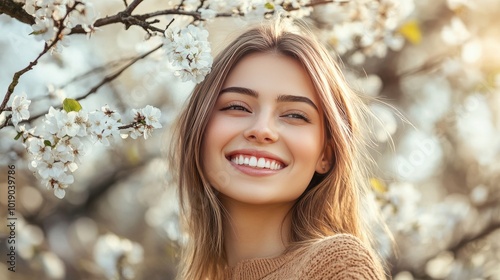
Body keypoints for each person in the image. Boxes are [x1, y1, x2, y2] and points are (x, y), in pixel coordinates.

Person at [170, 18, 388, 280]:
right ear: (199, 130)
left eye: (295, 115)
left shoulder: (337, 265)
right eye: (237, 107)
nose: (262, 130)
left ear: (325, 155)